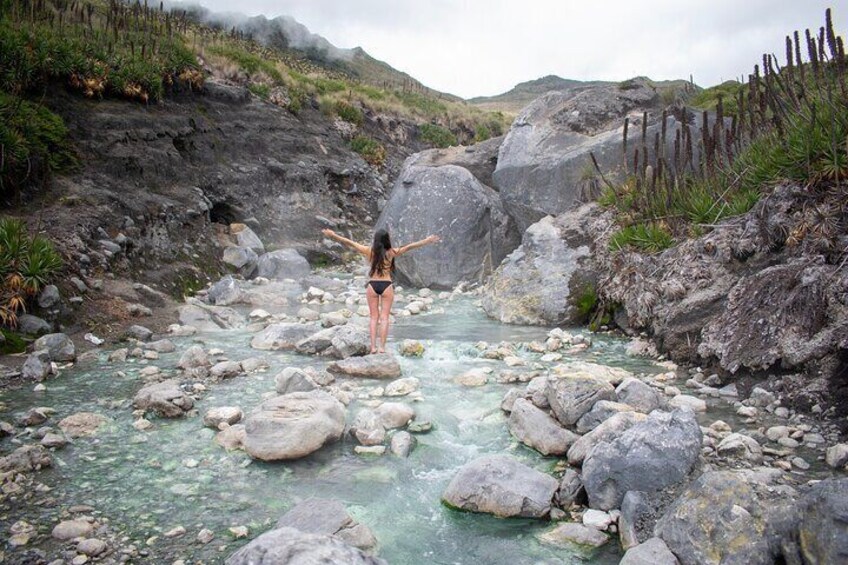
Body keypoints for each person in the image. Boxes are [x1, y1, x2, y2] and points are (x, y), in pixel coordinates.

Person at [321, 228, 440, 354]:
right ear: (387, 240)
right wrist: (427, 241)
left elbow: (350, 243)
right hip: (386, 285)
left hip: (372, 285)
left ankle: (373, 347)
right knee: (384, 318)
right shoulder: (391, 252)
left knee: (373, 318)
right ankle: (382, 348)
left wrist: (333, 235)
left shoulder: (369, 251)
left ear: (376, 240)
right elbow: (410, 247)